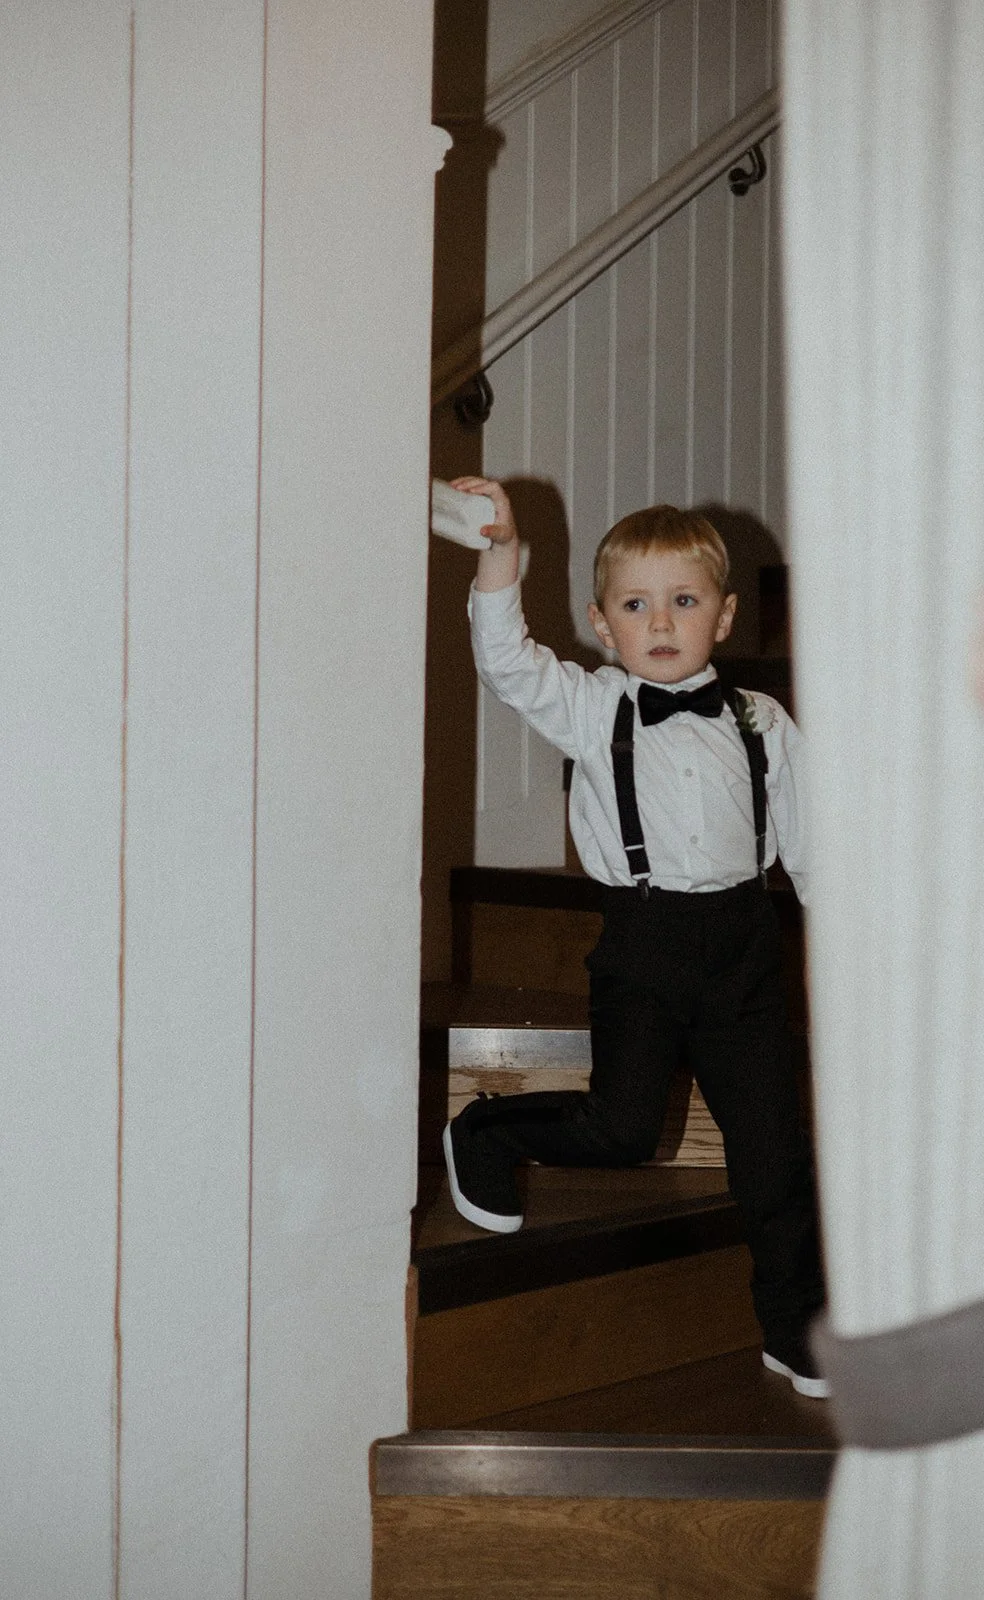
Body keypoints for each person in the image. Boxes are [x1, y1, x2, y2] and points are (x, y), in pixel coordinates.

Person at [442, 476, 828, 1399]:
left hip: (744, 950)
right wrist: (500, 556)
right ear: (602, 624)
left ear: (724, 617)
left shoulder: (763, 723)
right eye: (634, 605)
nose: (660, 622)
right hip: (643, 945)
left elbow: (815, 850)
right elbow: (508, 664)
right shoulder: (594, 706)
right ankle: (486, 1130)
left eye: (684, 601)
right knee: (620, 1129)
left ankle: (795, 1328)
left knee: (774, 1156)